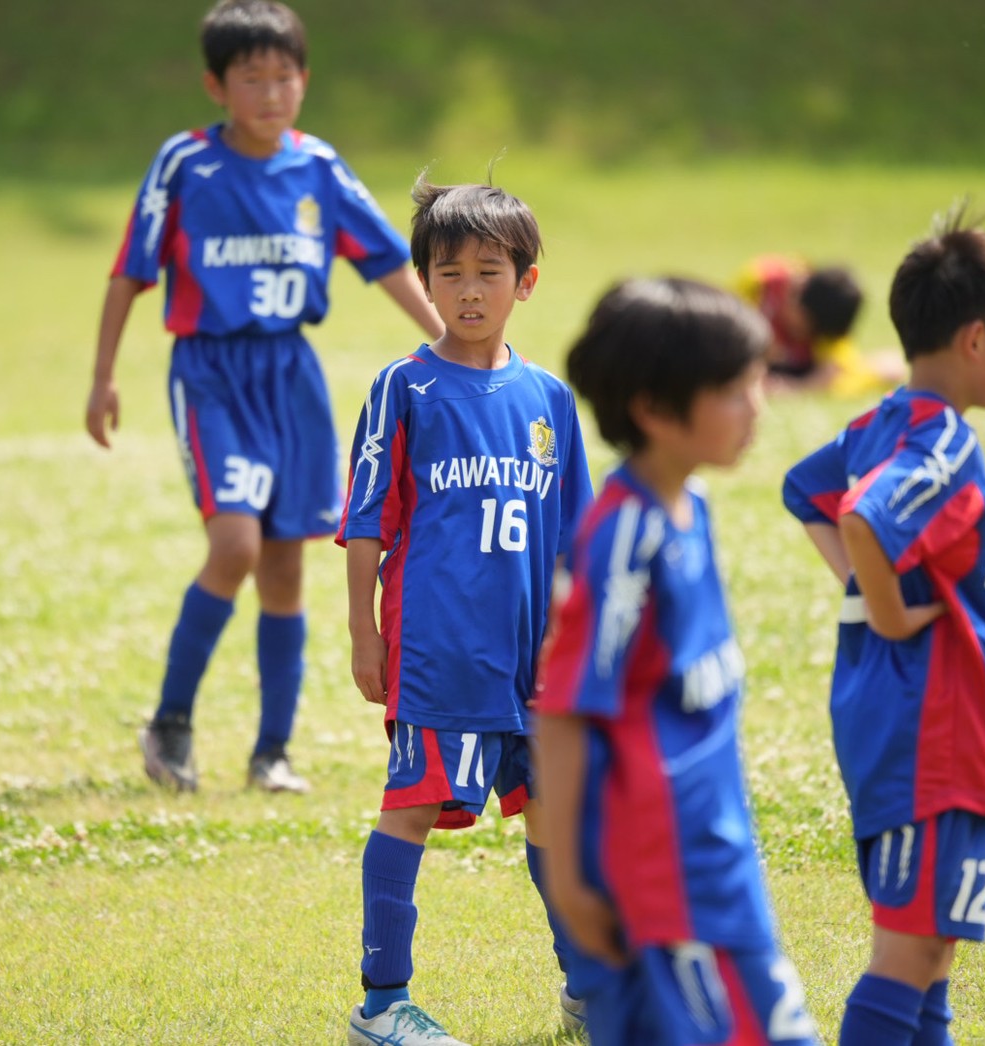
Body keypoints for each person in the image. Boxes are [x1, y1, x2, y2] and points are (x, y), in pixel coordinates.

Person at [85, 0, 442, 794]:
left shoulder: (317, 166)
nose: (272, 94)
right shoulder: (185, 164)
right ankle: (170, 724)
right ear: (216, 86)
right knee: (236, 547)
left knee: (285, 569)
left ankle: (271, 752)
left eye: (286, 78)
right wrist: (103, 375)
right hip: (211, 373)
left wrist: (450, 344)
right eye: (253, 79)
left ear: (305, 82)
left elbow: (385, 260)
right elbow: (130, 271)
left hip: (293, 377)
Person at [782, 205, 985, 1045]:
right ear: (976, 340)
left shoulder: (881, 419)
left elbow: (805, 488)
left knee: (933, 955)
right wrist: (888, 610)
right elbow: (862, 515)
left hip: (906, 722)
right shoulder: (942, 445)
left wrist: (862, 587)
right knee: (910, 952)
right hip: (932, 729)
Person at [338, 176, 593, 1045]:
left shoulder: (550, 401)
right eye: (449, 274)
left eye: (490, 271)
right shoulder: (403, 388)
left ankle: (588, 991)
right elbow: (367, 518)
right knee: (410, 807)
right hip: (438, 650)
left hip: (536, 659)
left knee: (557, 814)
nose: (470, 290)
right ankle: (382, 1004)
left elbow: (574, 541)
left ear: (526, 281)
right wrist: (363, 633)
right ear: (424, 283)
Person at [534, 277, 820, 1046]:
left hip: (718, 853)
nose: (757, 406)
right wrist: (567, 876)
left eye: (758, 380)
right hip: (660, 872)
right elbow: (564, 712)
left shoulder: (692, 510)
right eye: (732, 390)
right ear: (655, 410)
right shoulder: (625, 539)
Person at [732, 254, 903, 395]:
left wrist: (794, 387)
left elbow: (841, 372)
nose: (803, 335)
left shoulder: (827, 313)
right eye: (806, 326)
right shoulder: (759, 283)